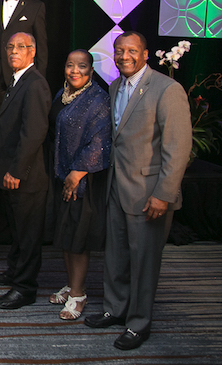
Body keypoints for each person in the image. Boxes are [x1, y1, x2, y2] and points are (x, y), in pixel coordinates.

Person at [84, 32, 191, 350]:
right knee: (116, 255)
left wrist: (164, 194)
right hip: (118, 187)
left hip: (149, 193)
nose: (124, 56)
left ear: (145, 54)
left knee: (144, 262)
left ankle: (138, 323)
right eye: (119, 51)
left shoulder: (167, 89)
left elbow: (178, 148)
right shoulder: (115, 86)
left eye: (131, 50)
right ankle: (115, 309)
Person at [46, 50, 111, 319]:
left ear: (91, 71)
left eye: (81, 66)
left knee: (78, 239)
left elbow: (101, 142)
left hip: (83, 180)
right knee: (66, 235)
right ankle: (71, 283)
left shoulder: (98, 99)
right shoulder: (62, 95)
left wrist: (77, 173)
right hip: (62, 176)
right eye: (70, 65)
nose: (75, 71)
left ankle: (78, 293)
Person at [0, 32, 51, 309]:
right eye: (10, 47)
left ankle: (25, 288)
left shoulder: (35, 83)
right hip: (11, 171)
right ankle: (15, 272)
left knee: (28, 236)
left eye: (21, 47)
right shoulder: (18, 80)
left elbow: (33, 133)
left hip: (26, 176)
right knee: (16, 230)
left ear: (32, 52)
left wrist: (16, 171)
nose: (14, 51)